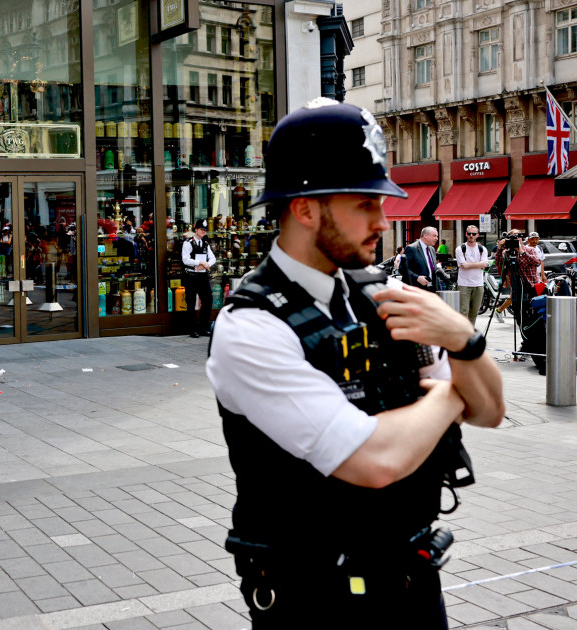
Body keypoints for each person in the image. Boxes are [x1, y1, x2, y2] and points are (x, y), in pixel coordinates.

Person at [207, 99, 504, 628]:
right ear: (305, 208)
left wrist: (463, 339)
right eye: (365, 203)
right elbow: (373, 461)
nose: (384, 220)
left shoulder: (384, 293)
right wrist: (447, 393)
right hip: (316, 601)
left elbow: (489, 410)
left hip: (414, 581)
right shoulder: (250, 328)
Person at [495, 228, 545, 374]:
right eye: (512, 237)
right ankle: (527, 345)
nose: (514, 240)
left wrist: (521, 251)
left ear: (522, 239)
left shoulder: (530, 249)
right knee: (519, 317)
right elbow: (500, 267)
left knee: (532, 319)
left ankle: (529, 346)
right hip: (516, 289)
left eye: (517, 237)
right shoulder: (507, 253)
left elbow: (536, 263)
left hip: (531, 288)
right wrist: (499, 249)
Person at [182, 218, 216, 337]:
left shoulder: (205, 243)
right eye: (201, 229)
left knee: (208, 300)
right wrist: (200, 263)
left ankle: (203, 327)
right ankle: (192, 329)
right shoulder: (188, 242)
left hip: (202, 276)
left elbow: (213, 258)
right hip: (191, 276)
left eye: (205, 230)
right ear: (196, 229)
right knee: (191, 302)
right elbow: (185, 259)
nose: (203, 232)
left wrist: (207, 265)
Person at [456, 226, 490, 326]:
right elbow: (463, 266)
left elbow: (484, 265)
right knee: (464, 311)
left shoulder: (482, 249)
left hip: (479, 284)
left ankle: (470, 333)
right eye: (469, 233)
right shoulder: (460, 249)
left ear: (477, 235)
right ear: (466, 234)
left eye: (474, 234)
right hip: (464, 284)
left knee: (474, 312)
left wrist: (469, 264)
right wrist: (478, 264)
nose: (471, 236)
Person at [400, 226, 441, 292]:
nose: (436, 238)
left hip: (432, 290)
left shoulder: (432, 249)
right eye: (434, 236)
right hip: (417, 290)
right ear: (425, 236)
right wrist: (417, 278)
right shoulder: (412, 248)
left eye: (437, 236)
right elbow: (402, 269)